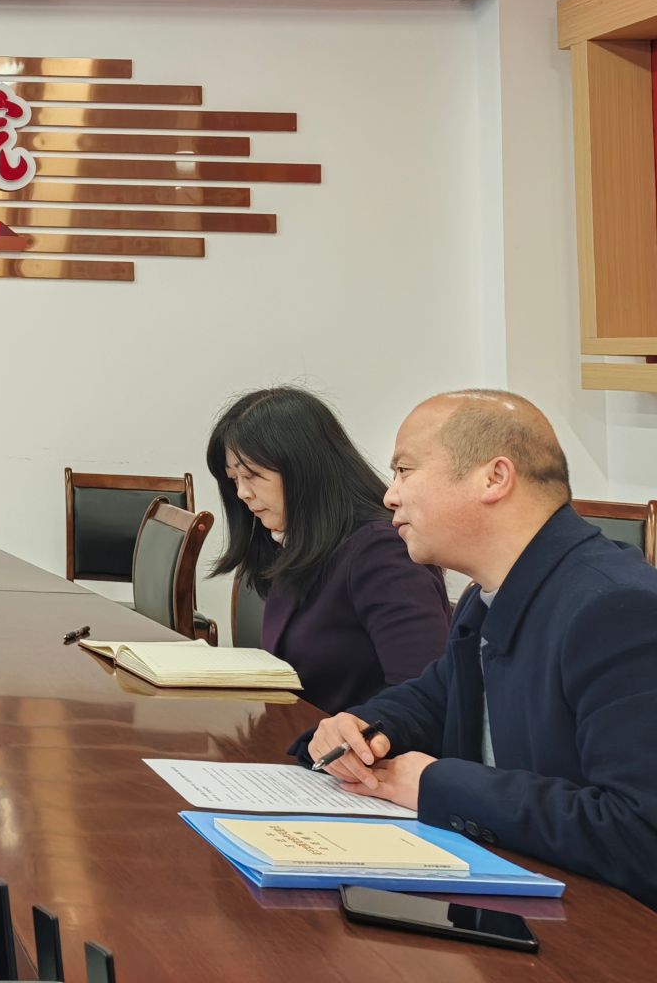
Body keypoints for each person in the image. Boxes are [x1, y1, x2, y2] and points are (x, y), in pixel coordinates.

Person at [308, 390, 657, 908]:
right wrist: (360, 729)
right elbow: (435, 698)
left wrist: (436, 784)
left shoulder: (616, 608)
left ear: (494, 478)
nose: (389, 496)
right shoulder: (489, 593)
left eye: (404, 470)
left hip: (609, 927)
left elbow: (640, 833)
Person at [205, 386, 449, 713]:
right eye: (234, 479)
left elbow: (421, 693)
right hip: (298, 732)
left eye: (252, 475)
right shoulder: (291, 542)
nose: (242, 493)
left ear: (304, 468)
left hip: (362, 742)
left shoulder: (382, 551)